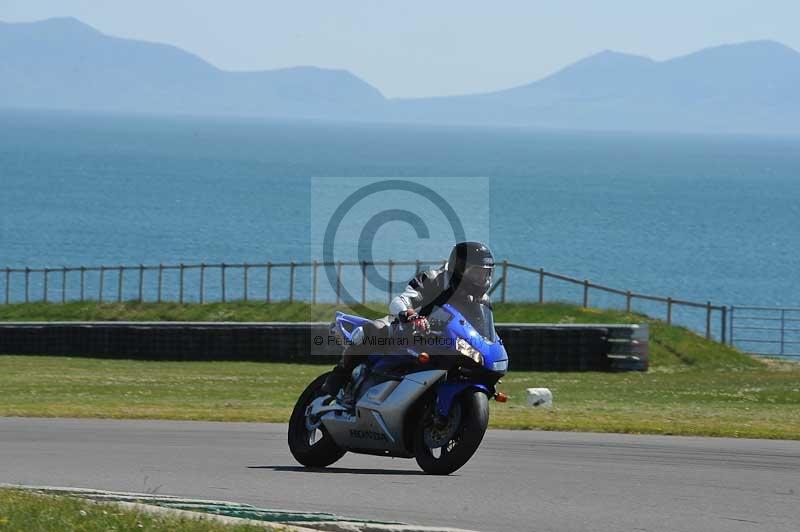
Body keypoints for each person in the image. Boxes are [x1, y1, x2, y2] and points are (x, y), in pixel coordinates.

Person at [321, 241, 495, 395]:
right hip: (408, 330)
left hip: (445, 344)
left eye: (486, 274)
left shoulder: (483, 301)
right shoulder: (433, 279)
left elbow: (482, 331)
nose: (482, 279)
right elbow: (401, 301)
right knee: (374, 330)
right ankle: (338, 377)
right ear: (460, 269)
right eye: (477, 273)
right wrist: (411, 315)